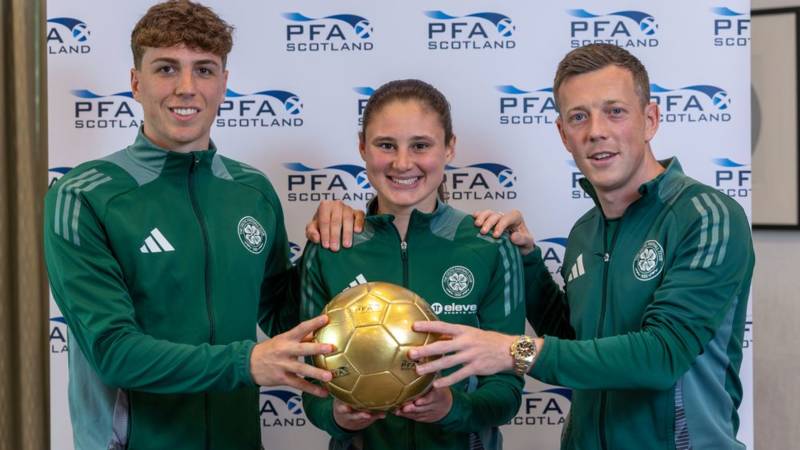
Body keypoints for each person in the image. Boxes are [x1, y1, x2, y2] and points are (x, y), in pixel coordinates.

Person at [43, 2, 362, 449]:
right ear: (135, 82)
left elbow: (284, 316)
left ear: (224, 83)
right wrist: (246, 363)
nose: (187, 88)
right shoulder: (84, 195)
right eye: (166, 69)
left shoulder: (252, 191)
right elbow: (113, 352)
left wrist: (331, 241)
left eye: (204, 70)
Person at [410, 43, 755, 450]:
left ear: (650, 120)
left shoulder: (707, 216)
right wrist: (527, 262)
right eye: (579, 117)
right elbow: (576, 344)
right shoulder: (585, 232)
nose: (596, 131)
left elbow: (663, 356)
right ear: (564, 135)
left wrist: (514, 351)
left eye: (615, 111)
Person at [299, 79, 526, 450]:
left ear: (449, 147)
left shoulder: (489, 244)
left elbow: (507, 386)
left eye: (420, 145)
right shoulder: (329, 246)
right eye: (386, 145)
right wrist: (336, 416)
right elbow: (311, 380)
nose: (402, 163)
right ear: (362, 147)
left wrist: (454, 408)